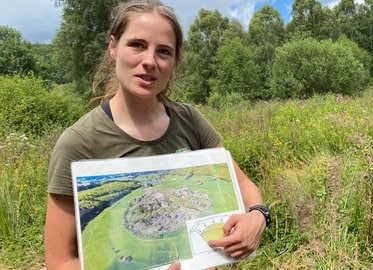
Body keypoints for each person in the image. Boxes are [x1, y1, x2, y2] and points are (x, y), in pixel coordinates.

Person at [44, 1, 269, 269]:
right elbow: (59, 261)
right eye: (137, 45)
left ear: (174, 61)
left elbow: (242, 185)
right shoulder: (79, 143)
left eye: (164, 52)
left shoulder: (190, 120)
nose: (150, 61)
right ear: (113, 47)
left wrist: (258, 215)